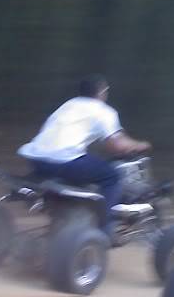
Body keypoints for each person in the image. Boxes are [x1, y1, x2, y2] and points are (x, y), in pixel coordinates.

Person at [18, 74, 151, 240]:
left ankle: (70, 216)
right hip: (64, 161)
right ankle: (104, 230)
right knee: (111, 177)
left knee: (87, 169)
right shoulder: (103, 111)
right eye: (106, 90)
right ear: (101, 92)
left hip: (36, 159)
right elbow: (117, 146)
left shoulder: (68, 105)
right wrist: (139, 145)